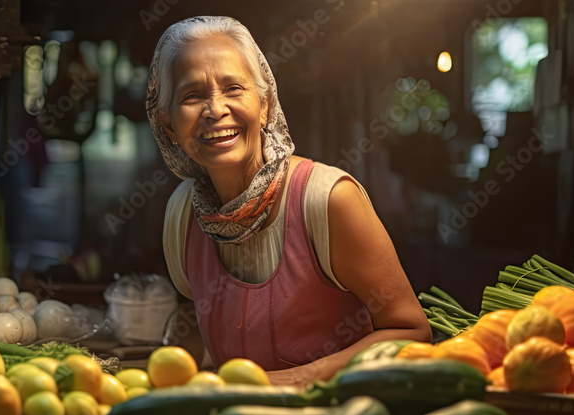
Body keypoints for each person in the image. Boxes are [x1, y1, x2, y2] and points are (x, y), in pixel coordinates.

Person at [150, 16, 431, 387]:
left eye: (234, 88)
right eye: (192, 96)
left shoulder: (328, 201)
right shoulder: (183, 214)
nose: (215, 109)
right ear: (169, 124)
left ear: (265, 104)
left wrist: (289, 383)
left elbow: (411, 331)